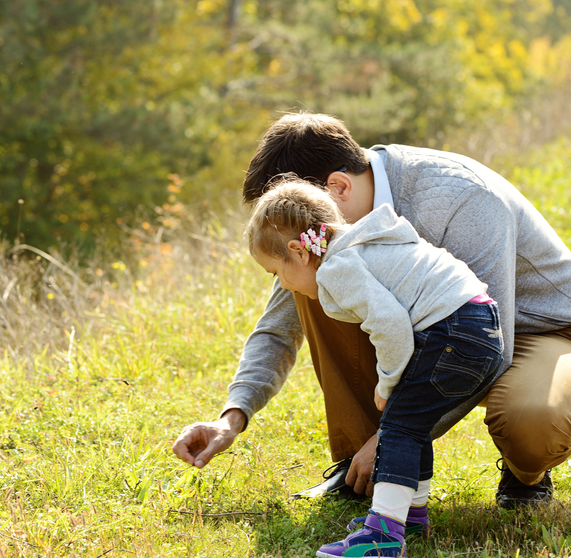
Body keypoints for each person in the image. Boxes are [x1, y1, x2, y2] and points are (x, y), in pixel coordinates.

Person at [172, 112, 571, 508]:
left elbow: (492, 343)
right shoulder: (320, 246)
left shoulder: (463, 198)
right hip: (439, 327)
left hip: (539, 329)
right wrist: (232, 418)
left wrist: (394, 435)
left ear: (338, 186)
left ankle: (525, 476)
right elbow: (278, 328)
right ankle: (359, 469)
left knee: (532, 422)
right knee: (311, 289)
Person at [246, 178, 504, 556]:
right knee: (413, 424)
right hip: (480, 325)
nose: (284, 285)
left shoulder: (337, 267)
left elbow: (390, 325)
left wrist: (387, 384)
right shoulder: (366, 243)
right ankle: (410, 516)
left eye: (276, 273)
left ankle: (382, 536)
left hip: (454, 330)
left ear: (299, 253)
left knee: (397, 426)